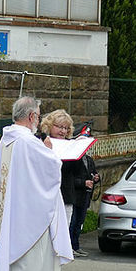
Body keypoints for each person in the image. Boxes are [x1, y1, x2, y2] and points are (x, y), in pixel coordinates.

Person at [0, 95, 73, 271]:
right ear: (31, 116)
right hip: (28, 214)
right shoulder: (29, 141)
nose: (38, 122)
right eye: (38, 117)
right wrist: (50, 150)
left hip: (11, 210)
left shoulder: (7, 139)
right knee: (30, 259)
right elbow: (50, 169)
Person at [40, 109, 97, 257]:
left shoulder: (70, 144)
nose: (63, 131)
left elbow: (75, 171)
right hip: (45, 195)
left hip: (66, 195)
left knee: (61, 234)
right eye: (59, 126)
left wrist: (77, 148)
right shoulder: (40, 141)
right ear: (49, 125)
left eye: (66, 128)